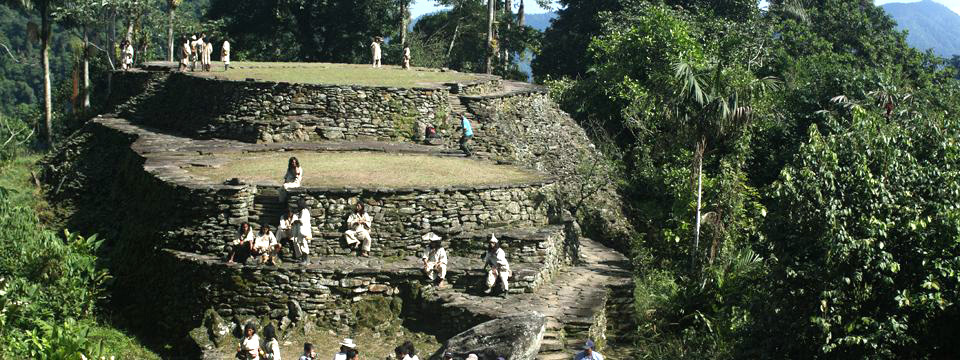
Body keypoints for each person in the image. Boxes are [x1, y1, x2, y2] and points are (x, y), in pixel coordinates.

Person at [292, 199, 313, 264]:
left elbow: (302, 221)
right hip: (301, 231)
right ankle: (303, 259)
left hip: (304, 231)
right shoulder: (301, 211)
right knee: (301, 244)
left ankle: (306, 260)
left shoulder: (305, 211)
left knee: (304, 244)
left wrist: (296, 221)